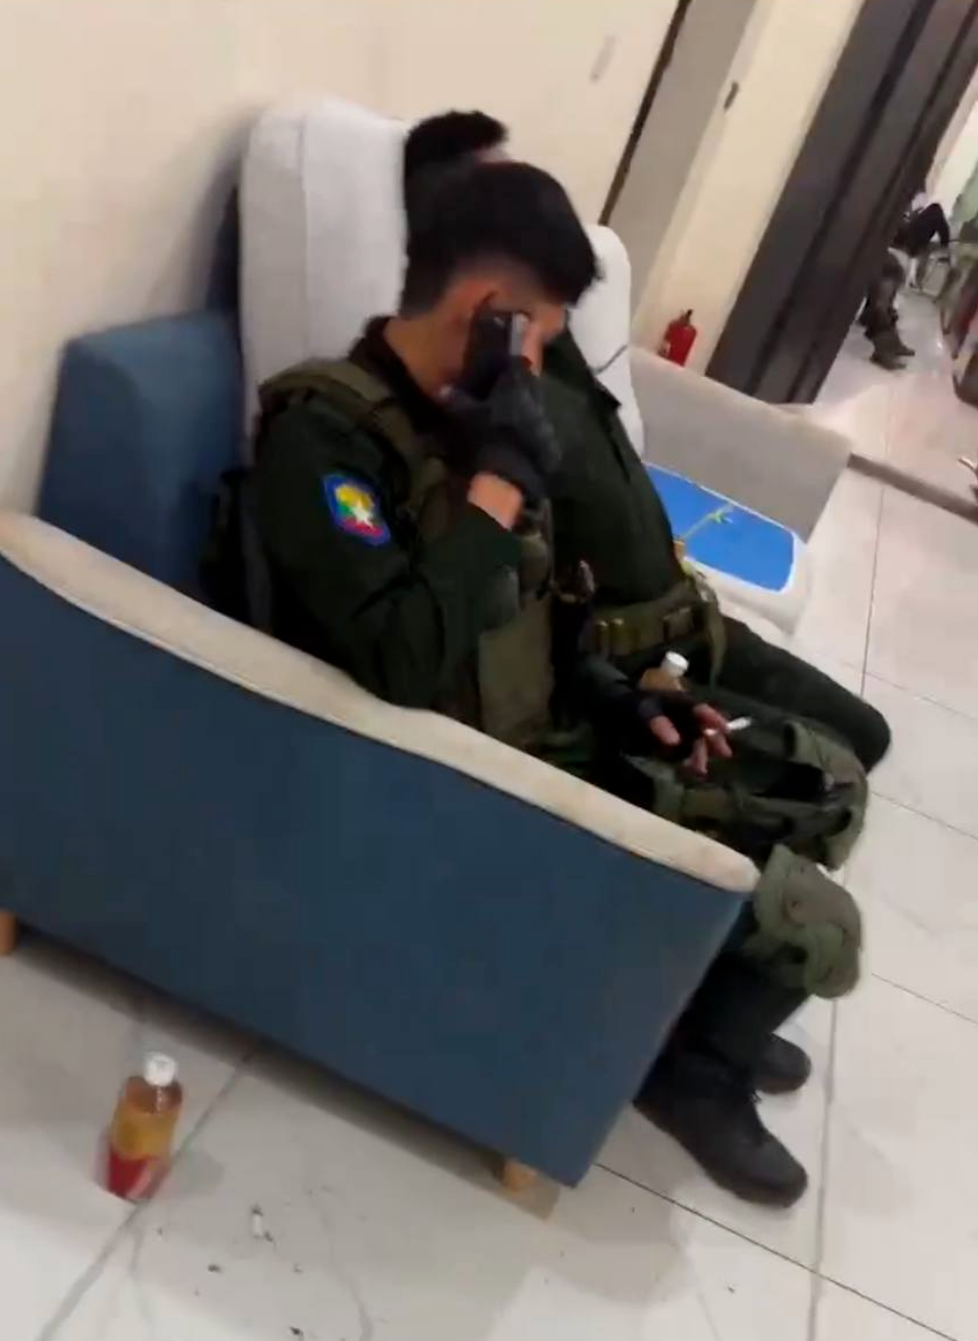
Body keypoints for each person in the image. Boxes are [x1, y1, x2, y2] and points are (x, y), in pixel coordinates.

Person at [252, 157, 863, 1209]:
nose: (542, 362)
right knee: (826, 927)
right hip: (464, 795)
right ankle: (692, 1075)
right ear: (489, 309)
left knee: (823, 781)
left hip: (552, 741)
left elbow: (530, 617)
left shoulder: (472, 421)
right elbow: (398, 661)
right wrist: (495, 491)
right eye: (537, 331)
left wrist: (630, 698)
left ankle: (692, 1019)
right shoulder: (326, 436)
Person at [402, 113, 890, 777]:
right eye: (504, 193)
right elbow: (507, 593)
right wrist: (625, 693)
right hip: (632, 657)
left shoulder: (544, 337)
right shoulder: (472, 398)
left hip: (690, 618)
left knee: (867, 733)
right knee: (833, 767)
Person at [861, 193, 951, 370]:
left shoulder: (907, 212)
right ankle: (884, 350)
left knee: (883, 303)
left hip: (887, 255)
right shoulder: (918, 213)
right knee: (882, 305)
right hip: (891, 257)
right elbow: (942, 237)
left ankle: (890, 343)